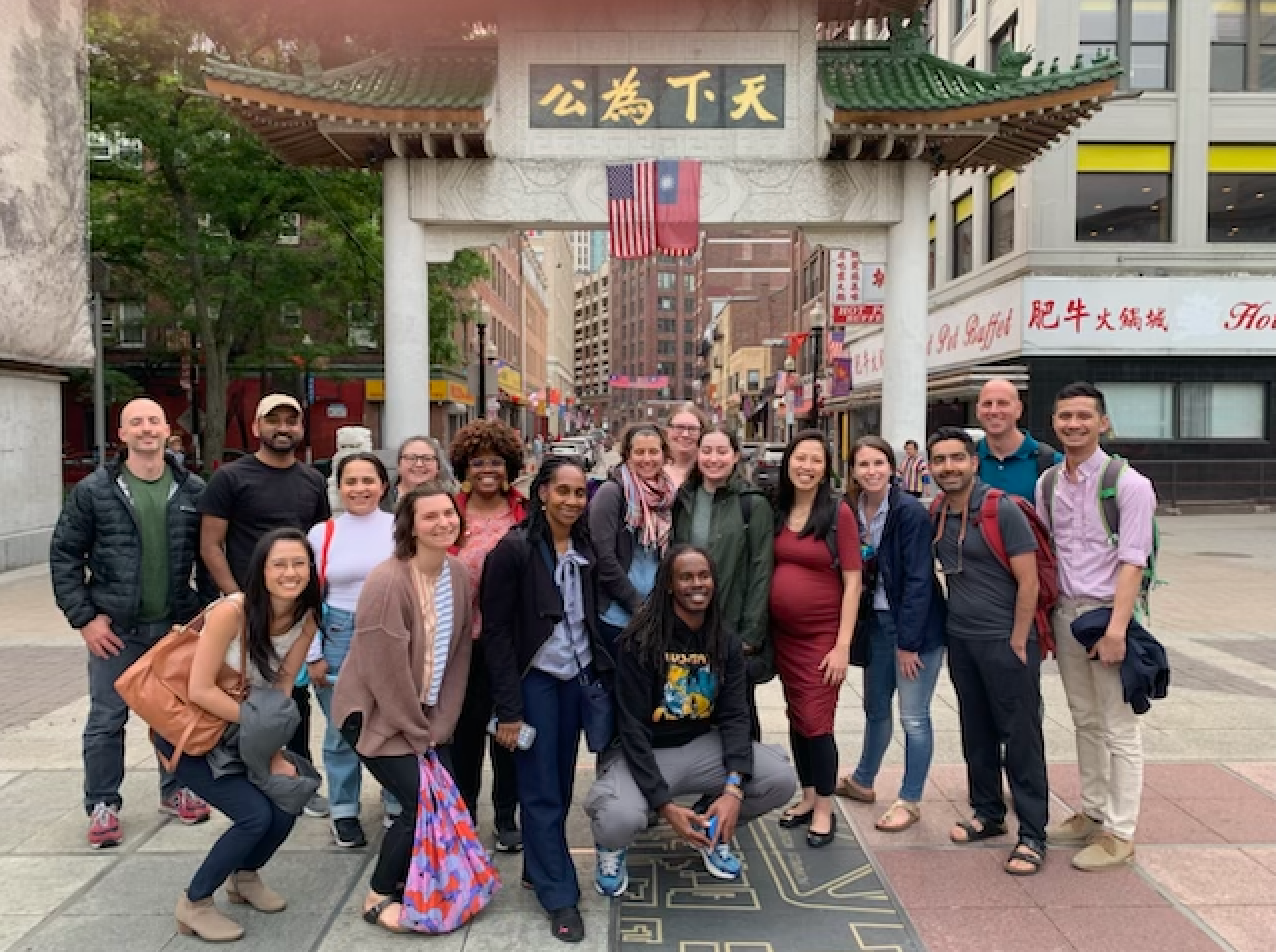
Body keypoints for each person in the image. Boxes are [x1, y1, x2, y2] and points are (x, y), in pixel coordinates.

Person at [586, 545, 797, 895]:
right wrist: (665, 806)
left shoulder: (723, 639)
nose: (696, 584)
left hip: (701, 748)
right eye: (685, 577)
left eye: (703, 576)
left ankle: (711, 827)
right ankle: (610, 850)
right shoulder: (640, 639)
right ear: (669, 584)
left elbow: (735, 716)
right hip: (644, 752)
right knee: (619, 817)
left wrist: (732, 790)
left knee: (780, 779)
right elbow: (632, 728)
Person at [51, 398, 214, 847]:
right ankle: (103, 804)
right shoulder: (95, 490)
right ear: (121, 434)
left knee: (175, 716)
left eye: (154, 421)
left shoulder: (192, 489)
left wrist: (205, 615)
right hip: (115, 631)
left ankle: (178, 789)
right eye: (136, 422)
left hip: (174, 627)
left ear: (167, 430)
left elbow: (210, 554)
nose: (146, 429)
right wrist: (84, 618)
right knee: (107, 718)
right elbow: (65, 554)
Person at [166, 528, 321, 941]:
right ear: (261, 570)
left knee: (290, 795)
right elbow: (200, 689)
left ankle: (245, 878)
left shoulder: (306, 616)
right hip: (194, 731)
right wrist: (257, 726)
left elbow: (284, 688)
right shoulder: (231, 612)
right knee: (254, 816)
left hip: (243, 730)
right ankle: (194, 903)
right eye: (279, 564)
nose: (290, 572)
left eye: (299, 563)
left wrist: (274, 748)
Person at [332, 485, 474, 934]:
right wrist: (416, 731)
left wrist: (441, 723)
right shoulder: (388, 580)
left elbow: (457, 660)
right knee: (418, 803)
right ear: (410, 525)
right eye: (429, 516)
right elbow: (384, 670)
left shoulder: (458, 574)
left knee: (449, 799)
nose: (442, 523)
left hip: (427, 719)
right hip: (374, 716)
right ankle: (378, 893)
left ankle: (422, 880)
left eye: (448, 513)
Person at [483, 458, 611, 944]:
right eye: (563, 491)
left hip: (575, 679)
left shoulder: (586, 544)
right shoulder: (513, 550)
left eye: (580, 493)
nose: (572, 501)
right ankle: (559, 896)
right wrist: (509, 710)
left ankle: (539, 866)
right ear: (541, 493)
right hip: (534, 681)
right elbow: (494, 633)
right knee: (539, 790)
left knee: (559, 783)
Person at [1037, 382, 1157, 871]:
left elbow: (1134, 562)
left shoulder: (1129, 484)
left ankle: (1120, 832)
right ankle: (1092, 811)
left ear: (1102, 422)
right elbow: (1050, 550)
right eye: (1065, 416)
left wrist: (1116, 631)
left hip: (1108, 617)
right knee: (1084, 719)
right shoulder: (1048, 483)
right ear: (1054, 422)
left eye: (1084, 416)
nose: (1074, 424)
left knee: (1119, 729)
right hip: (1066, 615)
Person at [199, 393, 331, 817]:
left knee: (291, 694)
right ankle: (234, 773)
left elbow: (317, 546)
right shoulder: (231, 478)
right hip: (245, 609)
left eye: (292, 421)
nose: (283, 428)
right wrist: (237, 599)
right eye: (273, 420)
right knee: (234, 689)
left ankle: (289, 771)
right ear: (256, 427)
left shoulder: (312, 481)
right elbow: (211, 544)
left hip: (293, 611)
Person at [928, 427, 1049, 876]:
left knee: (1021, 738)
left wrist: (1019, 639)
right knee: (975, 730)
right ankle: (988, 813)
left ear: (974, 461)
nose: (949, 467)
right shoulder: (938, 511)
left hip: (1007, 641)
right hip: (963, 640)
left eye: (957, 458)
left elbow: (1029, 581)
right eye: (939, 460)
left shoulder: (1002, 509)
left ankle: (1033, 834)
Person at [837, 436, 947, 833]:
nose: (871, 471)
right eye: (863, 464)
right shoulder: (851, 509)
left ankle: (910, 798)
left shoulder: (909, 512)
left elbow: (920, 580)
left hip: (914, 628)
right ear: (853, 470)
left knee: (914, 717)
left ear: (892, 468)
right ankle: (864, 780)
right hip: (877, 626)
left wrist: (909, 643)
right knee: (875, 708)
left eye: (878, 464)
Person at [769, 430, 863, 847]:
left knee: (817, 722)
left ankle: (824, 806)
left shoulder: (838, 512)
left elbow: (853, 580)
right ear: (788, 462)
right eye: (800, 458)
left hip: (822, 637)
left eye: (816, 460)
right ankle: (807, 795)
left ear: (826, 468)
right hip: (783, 637)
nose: (806, 467)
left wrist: (842, 644)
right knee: (796, 716)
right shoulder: (778, 507)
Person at [304, 453, 396, 849]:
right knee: (343, 728)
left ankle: (396, 800)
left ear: (384, 486)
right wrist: (313, 653)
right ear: (338, 488)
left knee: (392, 722)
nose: (360, 489)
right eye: (351, 481)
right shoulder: (320, 534)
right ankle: (344, 811)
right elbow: (304, 600)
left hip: (391, 634)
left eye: (368, 480)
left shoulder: (400, 529)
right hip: (338, 633)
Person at [447, 420, 528, 853]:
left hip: (510, 644)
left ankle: (505, 816)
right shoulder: (448, 512)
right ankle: (463, 818)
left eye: (496, 462)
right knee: (464, 737)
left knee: (508, 733)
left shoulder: (525, 513)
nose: (487, 470)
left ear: (509, 466)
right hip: (460, 643)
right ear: (465, 465)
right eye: (478, 462)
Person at [671, 425, 773, 740]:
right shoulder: (684, 499)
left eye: (722, 452)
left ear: (735, 456)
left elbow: (761, 570)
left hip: (733, 624)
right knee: (697, 704)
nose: (713, 459)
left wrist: (751, 634)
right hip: (690, 626)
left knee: (738, 709)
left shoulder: (751, 504)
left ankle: (745, 777)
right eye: (707, 451)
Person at [590, 423, 675, 662]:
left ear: (664, 454)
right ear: (627, 454)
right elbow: (603, 557)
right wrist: (638, 607)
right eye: (639, 452)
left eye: (653, 452)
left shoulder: (667, 496)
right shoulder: (612, 493)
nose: (647, 459)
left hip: (656, 616)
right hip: (618, 617)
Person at [975, 378, 1061, 501]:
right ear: (977, 411)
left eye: (1002, 403)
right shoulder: (966, 460)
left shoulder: (1052, 463)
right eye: (987, 404)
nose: (994, 411)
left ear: (1019, 409)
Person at [385, 434, 458, 512]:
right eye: (411, 458)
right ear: (398, 465)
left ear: (438, 467)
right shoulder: (380, 498)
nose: (419, 464)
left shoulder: (455, 498)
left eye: (427, 458)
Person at [664, 402, 709, 489]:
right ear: (668, 430)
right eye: (679, 427)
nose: (685, 434)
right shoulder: (655, 469)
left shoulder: (711, 470)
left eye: (692, 429)